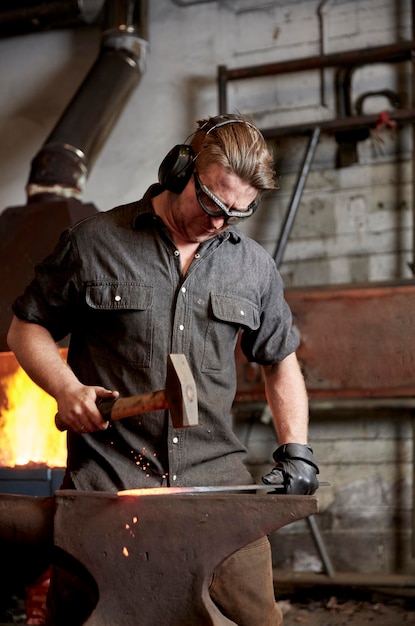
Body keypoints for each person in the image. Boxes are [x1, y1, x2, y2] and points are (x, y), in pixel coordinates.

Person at [7, 113, 319, 626]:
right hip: (107, 490)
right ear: (180, 170)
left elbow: (280, 360)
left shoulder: (253, 267)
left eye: (238, 213)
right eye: (212, 202)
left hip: (215, 492)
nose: (220, 222)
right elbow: (26, 328)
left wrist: (297, 451)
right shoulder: (93, 243)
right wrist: (66, 388)